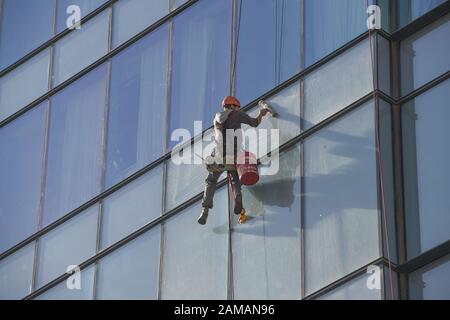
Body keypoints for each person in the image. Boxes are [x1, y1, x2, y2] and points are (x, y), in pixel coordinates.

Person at [198, 96, 269, 225]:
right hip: (234, 154)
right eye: (237, 107)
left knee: (211, 180)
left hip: (219, 155)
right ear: (233, 106)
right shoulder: (237, 114)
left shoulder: (216, 118)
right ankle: (237, 197)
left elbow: (220, 136)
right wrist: (262, 113)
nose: (238, 109)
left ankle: (205, 209)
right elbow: (254, 123)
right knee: (234, 176)